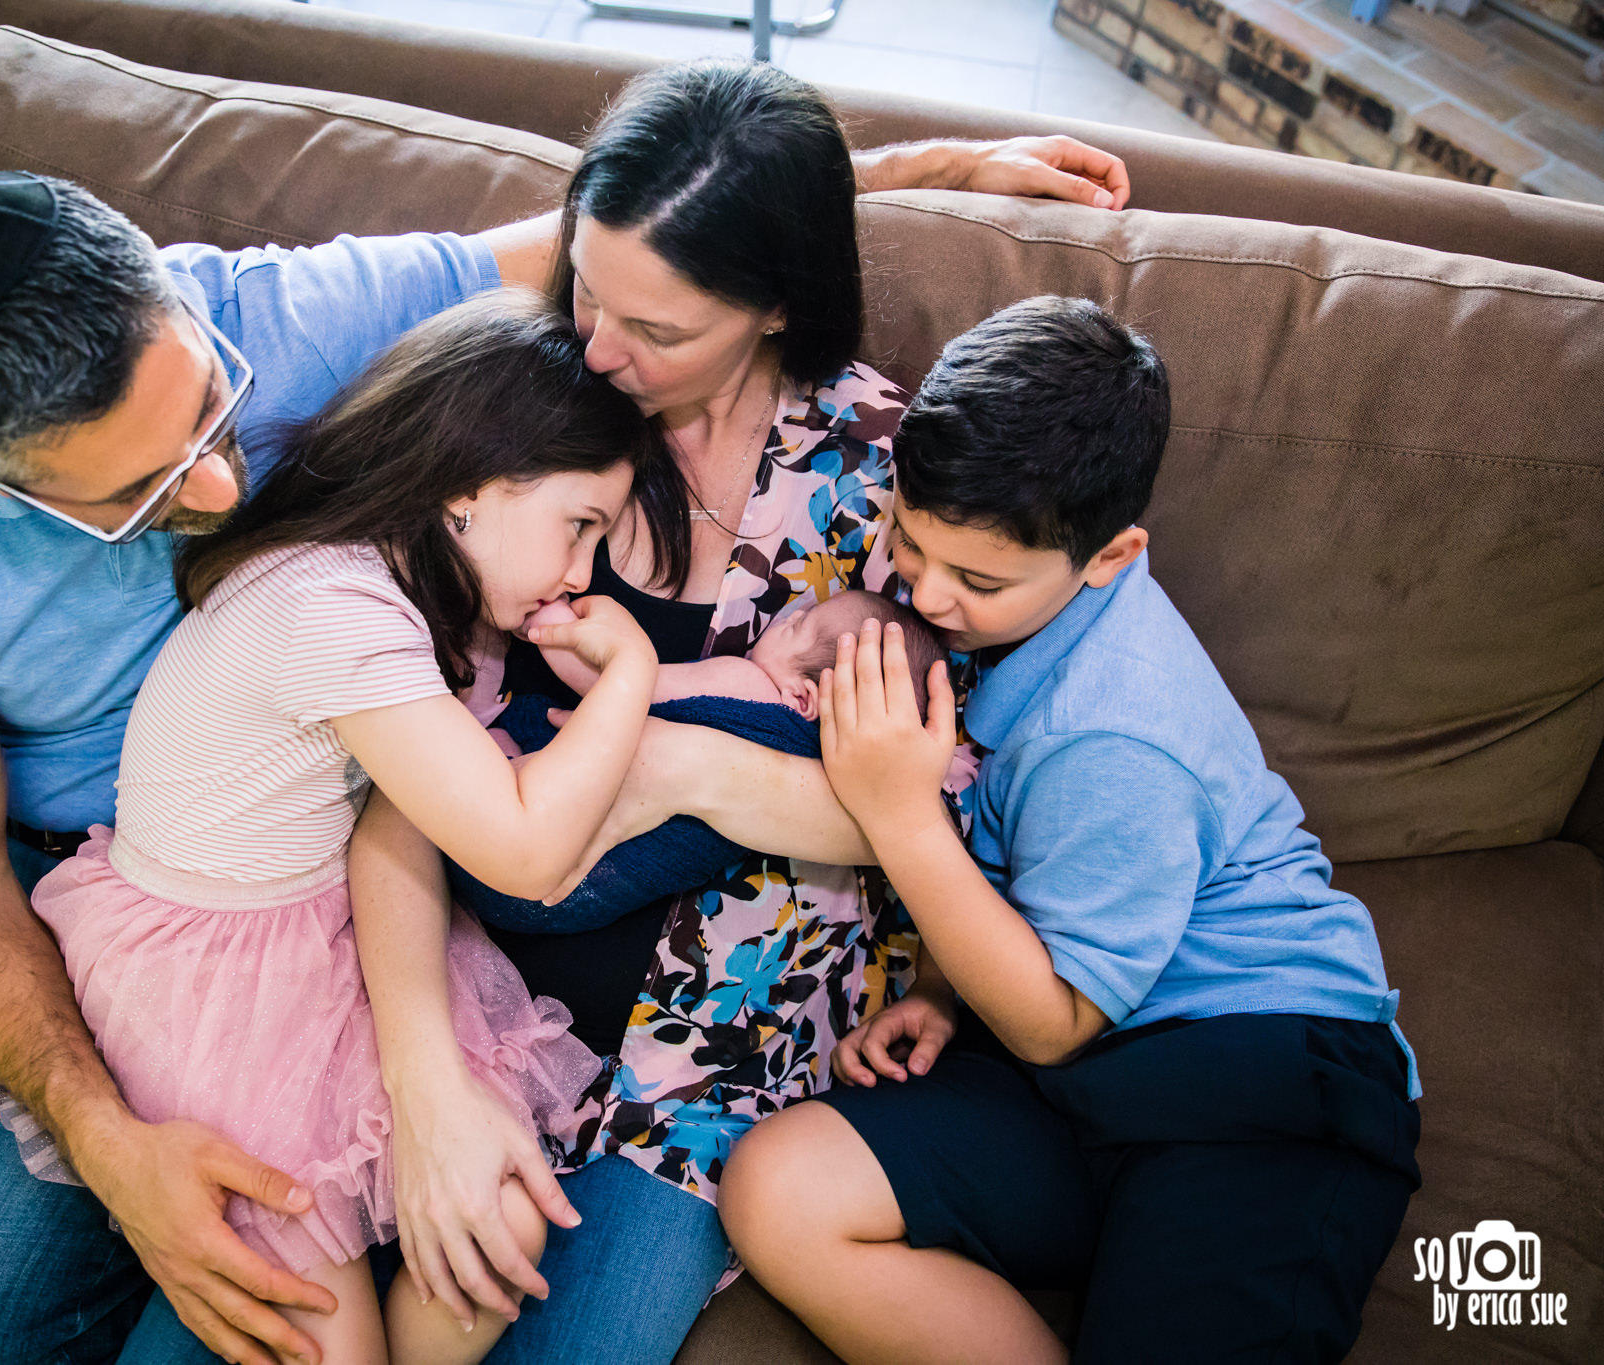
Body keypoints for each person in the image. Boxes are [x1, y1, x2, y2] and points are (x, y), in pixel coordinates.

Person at [0, 103, 1132, 1365]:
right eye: (142, 494)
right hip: (92, 887)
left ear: (177, 292)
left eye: (217, 415)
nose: (226, 494)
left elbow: (684, 211)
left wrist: (940, 170)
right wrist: (109, 1139)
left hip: (363, 901)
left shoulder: (306, 319)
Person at [349, 60, 1022, 1365]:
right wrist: (423, 1080)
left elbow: (958, 808)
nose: (599, 349)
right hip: (455, 976)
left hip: (710, 1064)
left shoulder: (896, 481)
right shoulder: (526, 410)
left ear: (777, 306)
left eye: (653, 329)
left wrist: (681, 763)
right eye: (586, 290)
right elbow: (390, 769)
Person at [717, 296, 1421, 1365]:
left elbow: (1053, 1019)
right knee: (777, 1186)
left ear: (1108, 556)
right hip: (1072, 1067)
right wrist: (948, 995)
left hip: (1257, 1082)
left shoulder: (1114, 737)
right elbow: (1037, 936)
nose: (928, 595)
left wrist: (897, 812)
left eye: (979, 580)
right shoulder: (995, 620)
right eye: (909, 541)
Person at [25, 289, 668, 1365]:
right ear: (467, 487)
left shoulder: (417, 594)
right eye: (580, 527)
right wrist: (630, 675)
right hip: (210, 979)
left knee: (504, 1214)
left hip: (327, 927)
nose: (580, 574)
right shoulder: (334, 609)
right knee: (318, 1337)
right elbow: (522, 848)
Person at [450, 590, 975, 934]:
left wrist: (552, 621)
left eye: (801, 626)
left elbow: (617, 685)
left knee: (489, 747)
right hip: (567, 903)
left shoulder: (747, 686)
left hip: (532, 855)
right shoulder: (837, 776)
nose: (786, 617)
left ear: (803, 698)